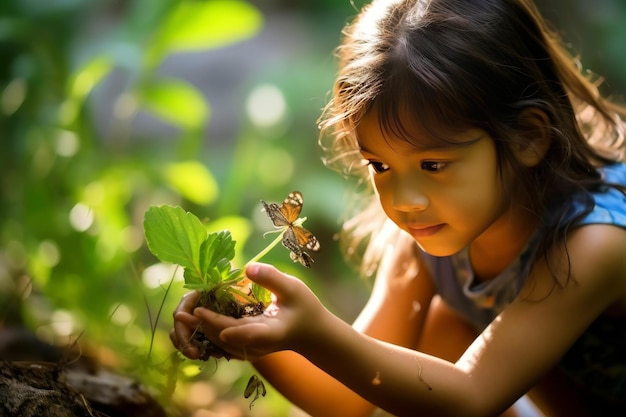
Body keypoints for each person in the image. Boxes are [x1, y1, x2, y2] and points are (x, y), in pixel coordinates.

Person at [170, 0, 626, 415]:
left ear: (528, 137)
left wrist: (320, 333)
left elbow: (472, 396)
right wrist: (250, 332)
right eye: (380, 164)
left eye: (433, 163)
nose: (404, 202)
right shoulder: (429, 235)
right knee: (436, 332)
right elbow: (346, 400)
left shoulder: (595, 243)